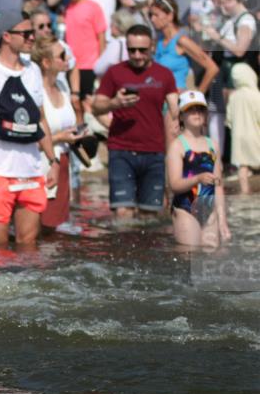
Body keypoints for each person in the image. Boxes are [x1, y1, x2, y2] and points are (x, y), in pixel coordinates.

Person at [0, 11, 58, 248]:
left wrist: (52, 160)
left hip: (31, 171)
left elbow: (41, 119)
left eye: (32, 32)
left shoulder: (33, 70)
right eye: (26, 33)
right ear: (6, 36)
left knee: (29, 244)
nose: (32, 37)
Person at [92, 24, 179, 221]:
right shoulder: (115, 72)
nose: (137, 55)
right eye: (132, 50)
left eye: (142, 50)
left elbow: (175, 109)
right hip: (121, 151)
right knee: (123, 213)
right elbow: (96, 107)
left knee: (150, 215)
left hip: (154, 152)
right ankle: (122, 242)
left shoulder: (164, 74)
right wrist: (115, 103)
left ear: (152, 47)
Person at [32, 36, 84, 232]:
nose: (67, 58)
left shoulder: (63, 87)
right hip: (40, 166)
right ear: (46, 63)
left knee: (56, 229)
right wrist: (60, 137)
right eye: (62, 55)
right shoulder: (34, 92)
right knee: (38, 230)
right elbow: (27, 140)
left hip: (63, 163)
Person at [166, 90, 230, 247]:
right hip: (185, 210)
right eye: (191, 109)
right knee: (189, 253)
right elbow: (174, 184)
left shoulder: (212, 145)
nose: (197, 113)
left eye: (200, 109)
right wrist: (197, 179)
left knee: (211, 254)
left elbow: (218, 185)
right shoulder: (177, 146)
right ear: (182, 116)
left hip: (209, 211)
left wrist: (222, 220)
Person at [149, 0, 218, 93]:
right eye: (151, 15)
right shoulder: (159, 42)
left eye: (156, 15)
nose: (152, 19)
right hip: (159, 97)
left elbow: (212, 68)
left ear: (170, 16)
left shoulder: (182, 41)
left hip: (179, 97)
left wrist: (198, 95)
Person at [62, 0, 106, 114]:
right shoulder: (66, 9)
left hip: (90, 65)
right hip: (71, 65)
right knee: (74, 106)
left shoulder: (93, 7)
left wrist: (101, 64)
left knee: (88, 106)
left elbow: (101, 36)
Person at [225, 62, 260, 195]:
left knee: (243, 166)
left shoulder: (233, 97)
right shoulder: (255, 95)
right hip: (255, 135)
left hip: (238, 137)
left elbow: (229, 119)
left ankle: (244, 191)